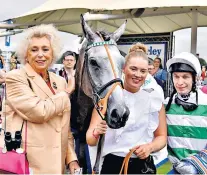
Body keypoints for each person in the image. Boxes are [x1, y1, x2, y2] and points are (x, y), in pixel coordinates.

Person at [0, 24, 80, 174]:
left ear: (53, 52)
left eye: (45, 49)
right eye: (34, 49)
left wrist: (71, 158)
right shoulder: (16, 77)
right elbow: (39, 111)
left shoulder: (59, 81)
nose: (40, 55)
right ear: (26, 54)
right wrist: (67, 92)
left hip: (57, 165)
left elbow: (64, 126)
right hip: (27, 164)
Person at [86, 43, 167, 174]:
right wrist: (96, 132)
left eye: (143, 71)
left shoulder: (154, 99)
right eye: (133, 69)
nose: (138, 75)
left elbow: (162, 137)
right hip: (112, 166)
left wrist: (149, 147)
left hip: (143, 166)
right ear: (123, 69)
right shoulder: (108, 98)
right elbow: (90, 139)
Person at [165, 52, 207, 174]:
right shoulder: (165, 104)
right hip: (175, 169)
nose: (180, 82)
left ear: (195, 78)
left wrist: (195, 163)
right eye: (176, 76)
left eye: (185, 77)